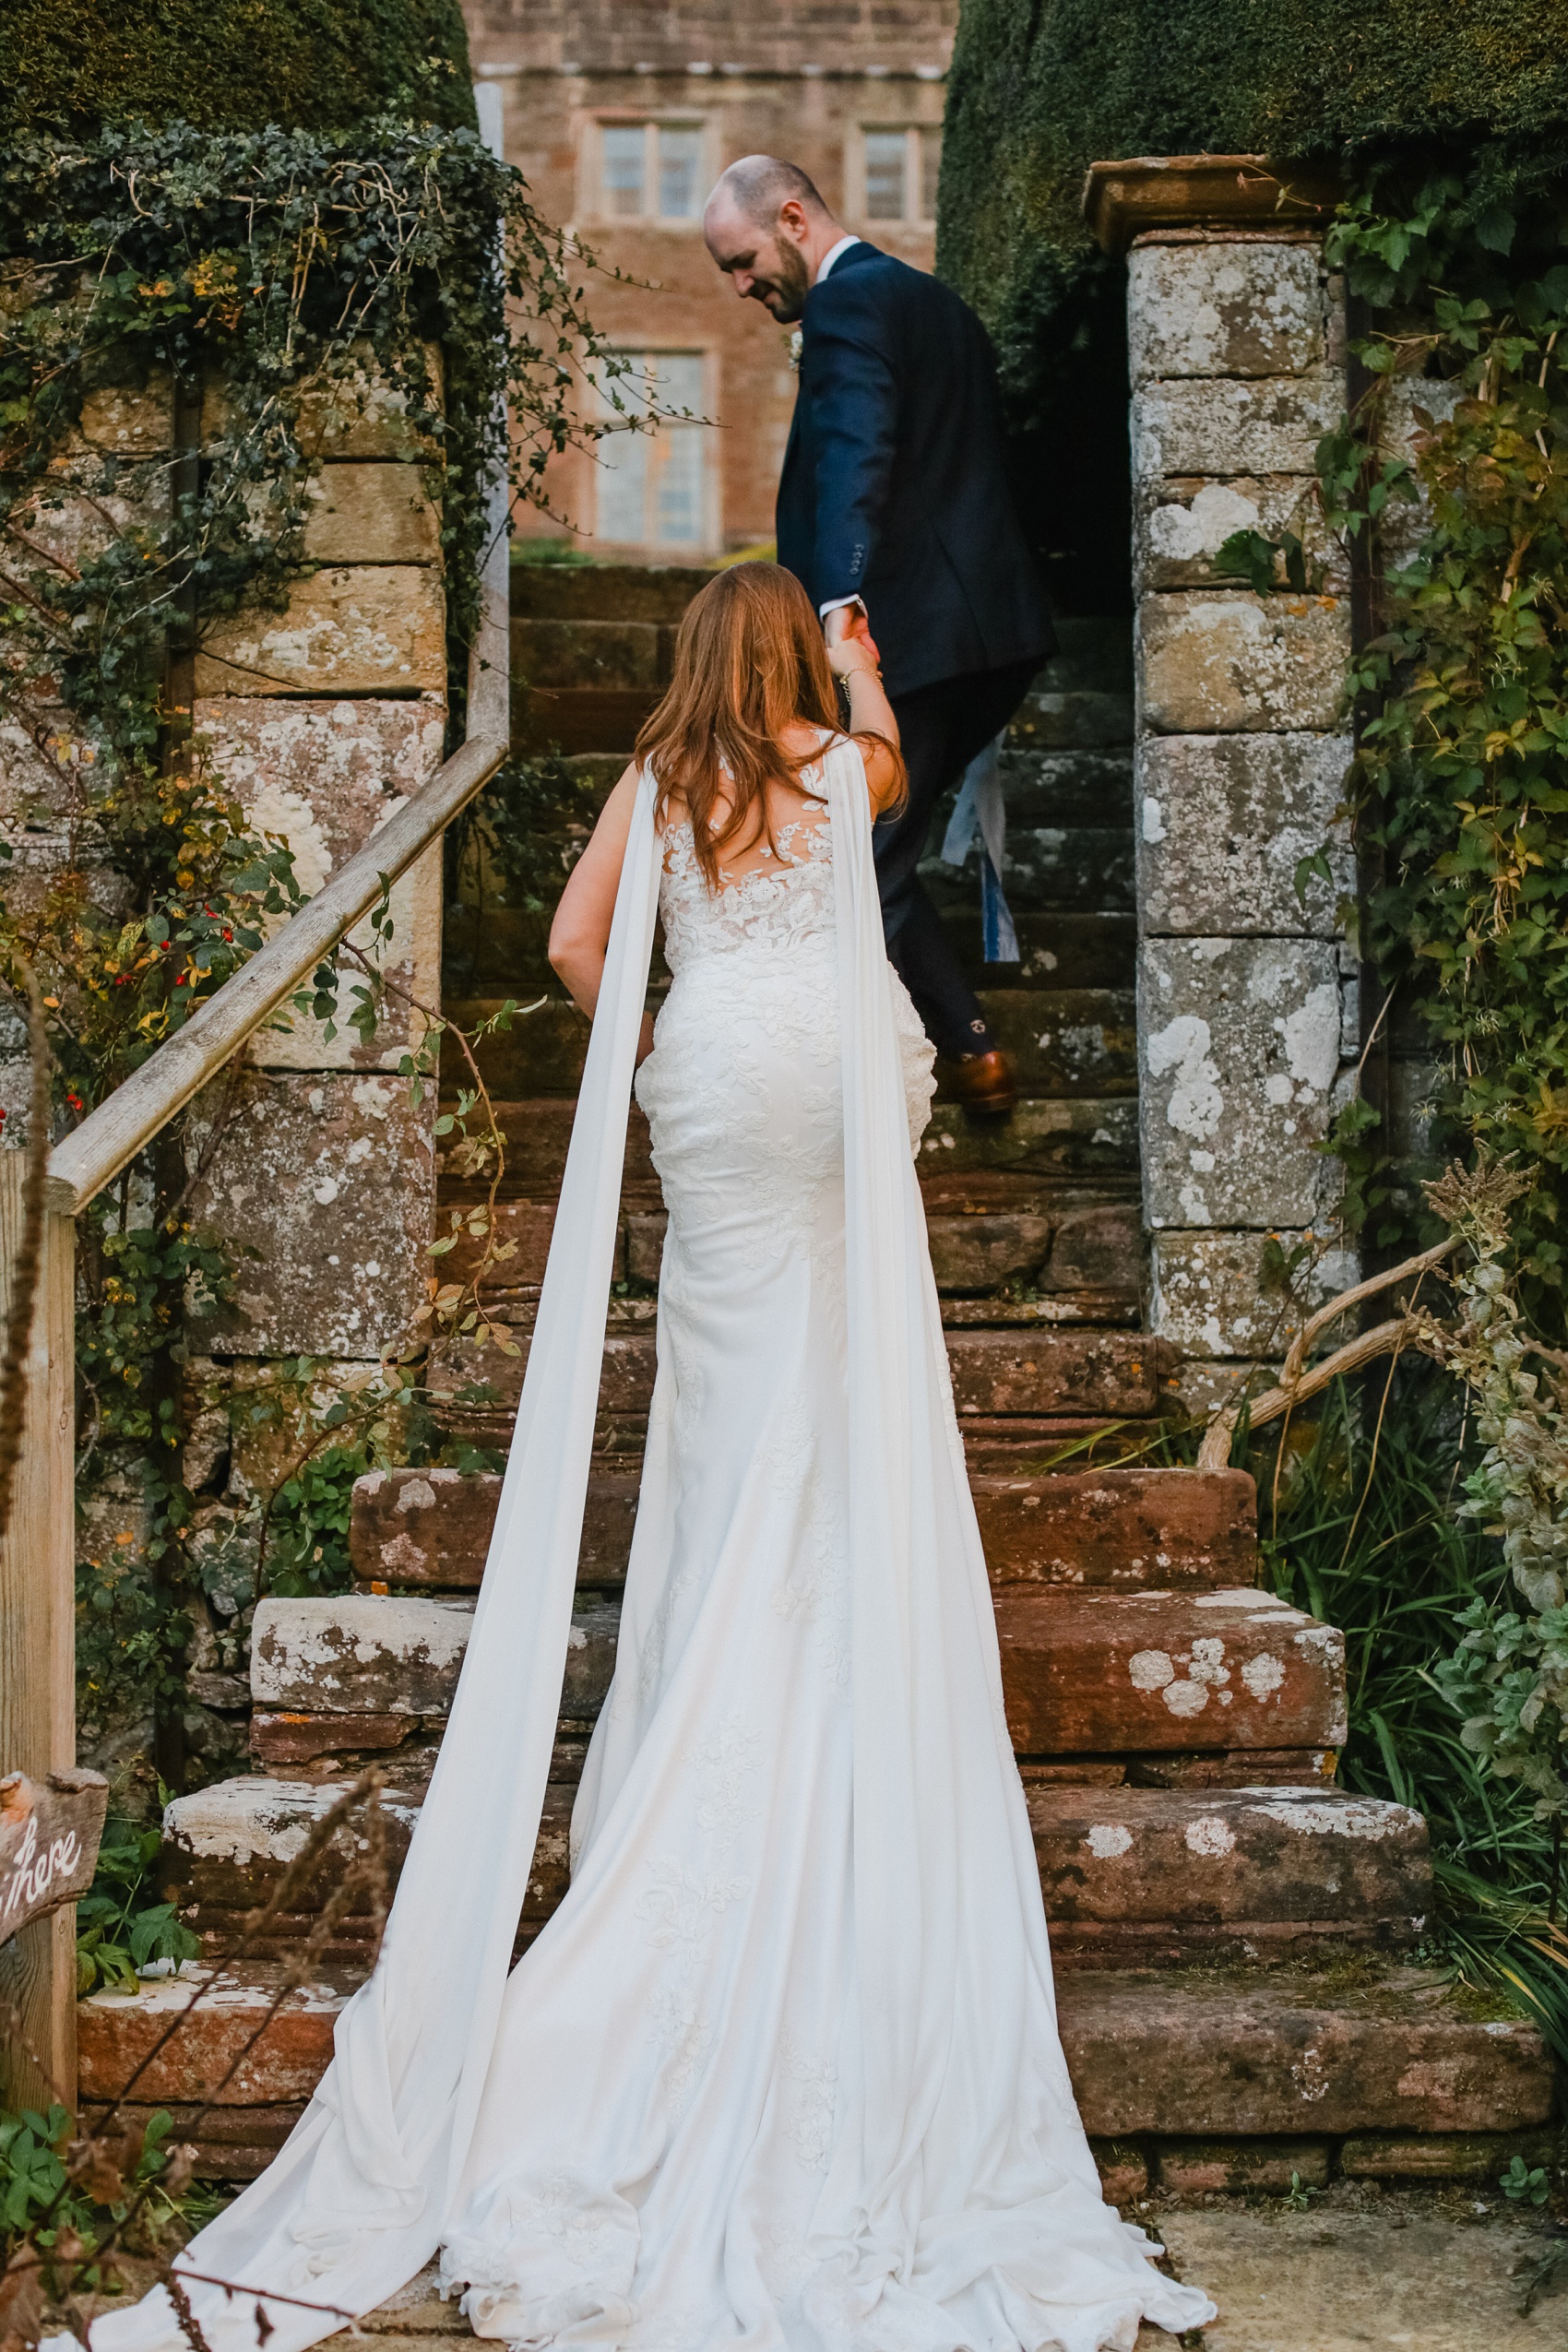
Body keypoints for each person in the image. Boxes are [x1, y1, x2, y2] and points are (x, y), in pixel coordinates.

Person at [65, 567, 1211, 2352]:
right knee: (843, 1390)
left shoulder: (656, 781)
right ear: (788, 663)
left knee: (728, 1393)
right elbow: (900, 764)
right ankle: (822, 1623)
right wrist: (859, 666)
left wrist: (665, 1038)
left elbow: (578, 950)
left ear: (689, 663)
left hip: (723, 1086)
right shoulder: (841, 762)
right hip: (834, 1071)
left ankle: (715, 1664)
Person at [703, 155, 1055, 1116]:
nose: (741, 288)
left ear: (790, 217)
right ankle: (959, 1043)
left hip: (912, 638)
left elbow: (858, 453)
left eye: (741, 261)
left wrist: (838, 607)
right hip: (988, 631)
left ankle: (969, 1053)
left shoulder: (846, 307)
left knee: (856, 856)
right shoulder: (935, 303)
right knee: (875, 842)